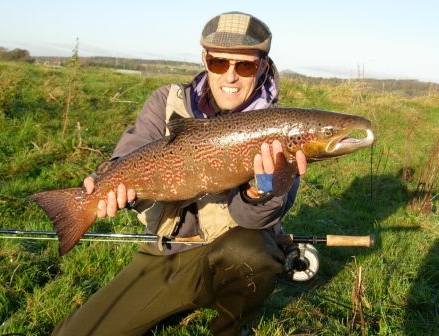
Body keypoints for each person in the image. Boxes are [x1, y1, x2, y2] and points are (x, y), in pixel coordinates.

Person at [53, 11, 307, 336]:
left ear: (262, 66)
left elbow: (253, 221)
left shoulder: (280, 130)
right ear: (205, 59)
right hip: (165, 252)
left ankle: (232, 327)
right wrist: (108, 184)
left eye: (244, 65)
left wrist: (262, 188)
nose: (230, 76)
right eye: (219, 63)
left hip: (229, 252)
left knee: (252, 253)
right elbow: (130, 154)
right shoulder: (167, 101)